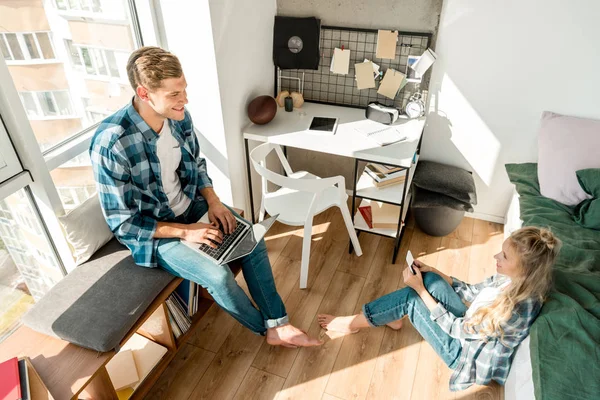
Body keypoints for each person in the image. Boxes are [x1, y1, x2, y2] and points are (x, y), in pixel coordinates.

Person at [89, 46, 321, 348]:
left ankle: (279, 322)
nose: (184, 100)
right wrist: (186, 232)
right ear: (144, 94)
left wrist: (212, 201)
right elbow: (124, 225)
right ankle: (266, 332)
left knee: (252, 238)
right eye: (174, 94)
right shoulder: (111, 144)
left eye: (183, 89)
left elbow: (196, 165)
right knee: (219, 277)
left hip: (191, 206)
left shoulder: (179, 118)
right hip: (158, 234)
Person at [318, 226, 560, 391]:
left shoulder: (514, 310)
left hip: (464, 355)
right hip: (469, 326)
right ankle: (388, 317)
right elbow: (473, 291)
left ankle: (353, 323)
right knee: (431, 281)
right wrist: (434, 272)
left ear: (525, 269)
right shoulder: (511, 279)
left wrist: (421, 291)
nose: (496, 256)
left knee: (412, 299)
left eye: (504, 256)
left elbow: (456, 329)